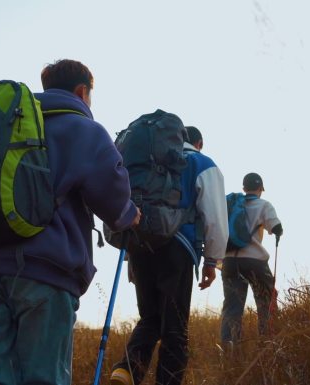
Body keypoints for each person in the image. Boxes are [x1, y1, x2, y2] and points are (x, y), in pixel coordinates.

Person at [0, 59, 141, 385]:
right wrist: (129, 214)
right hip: (45, 272)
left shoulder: (1, 125)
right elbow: (113, 198)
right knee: (44, 378)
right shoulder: (83, 129)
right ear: (82, 91)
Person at [111, 125, 228, 385]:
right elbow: (216, 218)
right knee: (175, 327)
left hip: (140, 245)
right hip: (179, 248)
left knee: (150, 318)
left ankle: (126, 370)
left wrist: (131, 259)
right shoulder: (201, 162)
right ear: (198, 142)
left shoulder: (146, 164)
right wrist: (212, 261)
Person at [220, 172, 283, 344]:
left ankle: (229, 349)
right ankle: (268, 343)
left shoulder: (231, 205)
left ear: (244, 188)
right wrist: (278, 231)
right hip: (255, 261)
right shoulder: (264, 205)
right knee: (266, 302)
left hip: (230, 261)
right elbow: (276, 227)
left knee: (232, 308)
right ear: (261, 188)